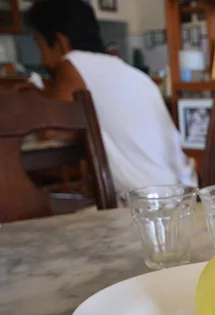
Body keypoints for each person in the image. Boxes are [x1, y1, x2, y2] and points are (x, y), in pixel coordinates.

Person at [26, 0, 196, 195]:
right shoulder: (124, 70)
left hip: (148, 201)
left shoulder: (72, 63)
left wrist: (34, 93)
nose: (42, 59)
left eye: (40, 47)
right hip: (181, 189)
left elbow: (50, 131)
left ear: (60, 43)